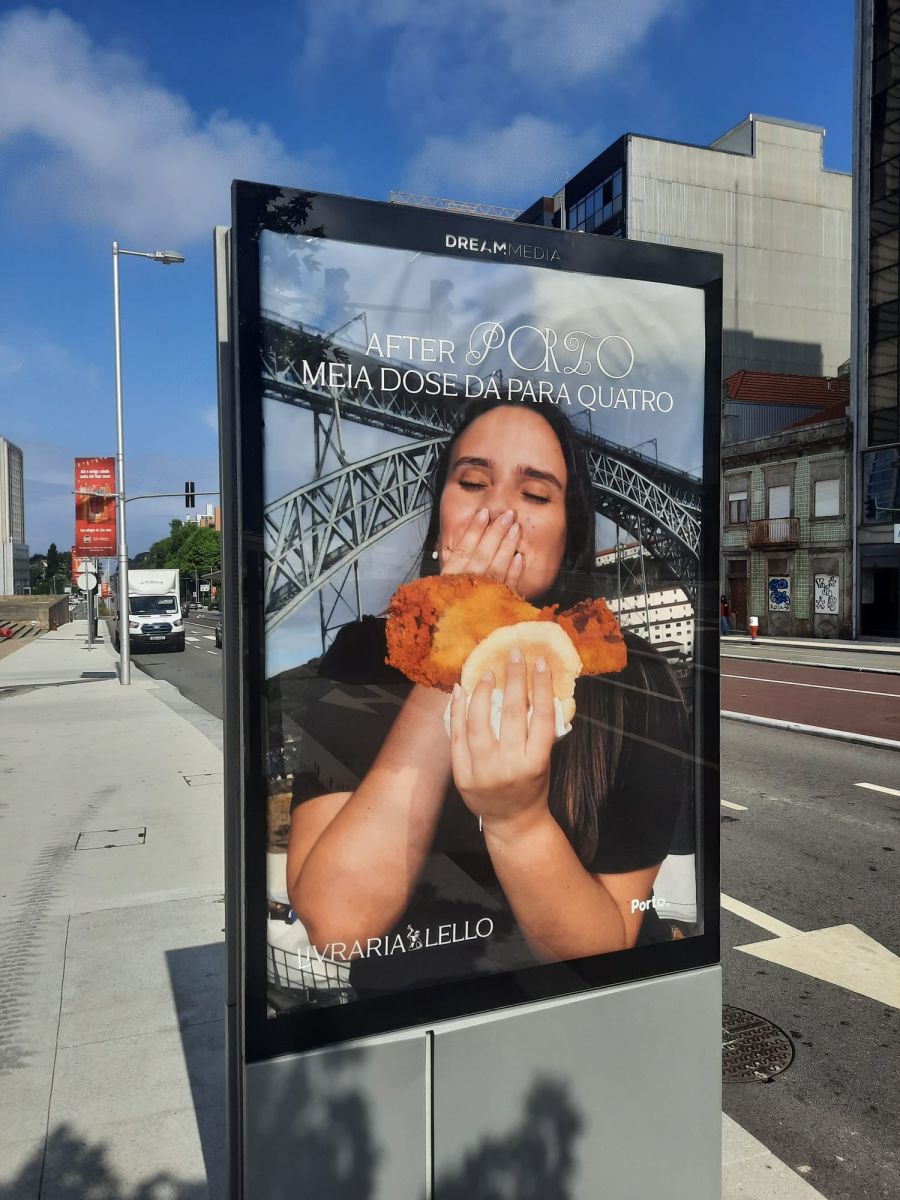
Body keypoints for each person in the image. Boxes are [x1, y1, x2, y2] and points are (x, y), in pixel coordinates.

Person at [277, 397, 692, 1001]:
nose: (498, 509)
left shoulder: (632, 677)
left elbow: (604, 949)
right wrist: (453, 645)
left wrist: (517, 822)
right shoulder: (367, 656)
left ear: (568, 532)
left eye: (536, 494)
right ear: (441, 513)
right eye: (473, 482)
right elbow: (338, 923)